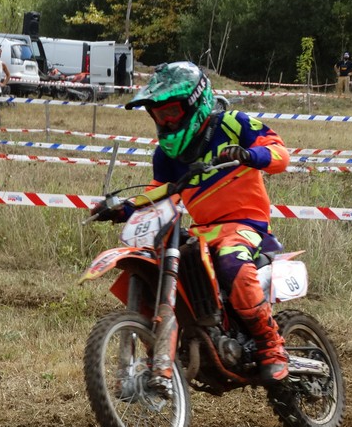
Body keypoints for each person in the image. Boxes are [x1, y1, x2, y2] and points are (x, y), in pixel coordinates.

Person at [102, 61, 291, 382]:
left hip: (246, 225)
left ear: (195, 102)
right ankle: (161, 350)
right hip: (204, 231)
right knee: (155, 268)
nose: (165, 121)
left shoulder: (233, 123)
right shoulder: (166, 155)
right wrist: (124, 209)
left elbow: (279, 153)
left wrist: (249, 155)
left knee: (231, 261)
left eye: (171, 112)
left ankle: (271, 344)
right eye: (158, 115)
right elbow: (160, 192)